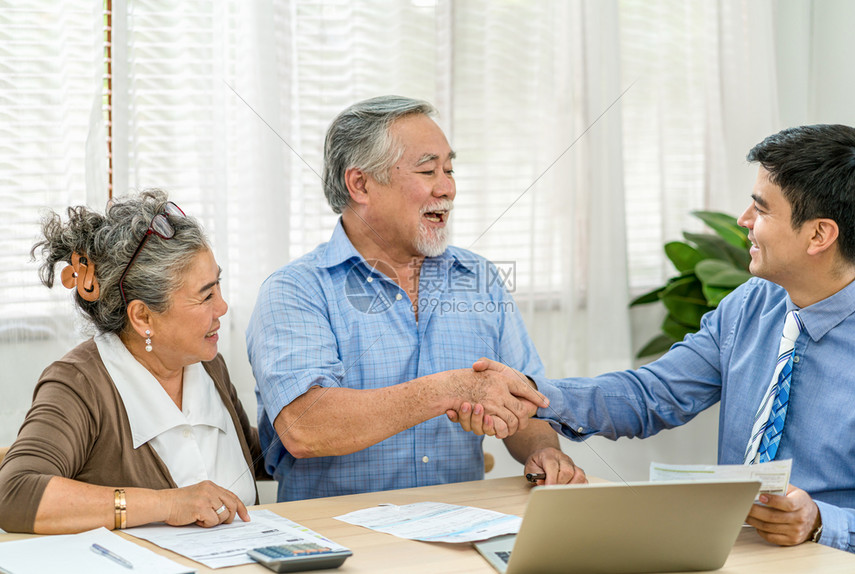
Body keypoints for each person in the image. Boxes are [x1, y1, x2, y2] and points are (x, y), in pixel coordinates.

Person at [454, 124, 855, 554]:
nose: (743, 221)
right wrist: (532, 394)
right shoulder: (752, 303)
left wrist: (819, 522)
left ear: (819, 235)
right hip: (731, 551)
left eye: (761, 210)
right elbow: (652, 394)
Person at [246, 95, 584, 502]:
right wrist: (452, 389)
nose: (448, 188)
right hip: (341, 544)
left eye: (449, 169)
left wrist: (543, 451)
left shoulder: (479, 278)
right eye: (428, 170)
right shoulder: (295, 290)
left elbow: (526, 402)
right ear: (361, 184)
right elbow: (305, 428)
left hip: (462, 533)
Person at [0, 190, 265, 534]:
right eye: (206, 295)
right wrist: (168, 503)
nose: (223, 308)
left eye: (219, 287)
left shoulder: (207, 364)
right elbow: (15, 494)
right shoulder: (79, 384)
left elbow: (250, 450)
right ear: (142, 317)